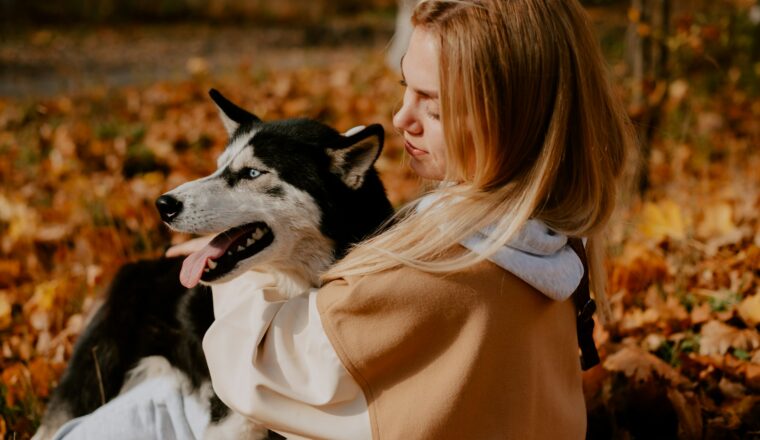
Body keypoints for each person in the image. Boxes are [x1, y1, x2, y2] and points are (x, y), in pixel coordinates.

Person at [49, 0, 633, 438]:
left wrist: (237, 267)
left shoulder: (432, 269)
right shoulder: (555, 237)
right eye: (406, 88)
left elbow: (261, 373)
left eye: (432, 103)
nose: (402, 117)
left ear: (512, 115)